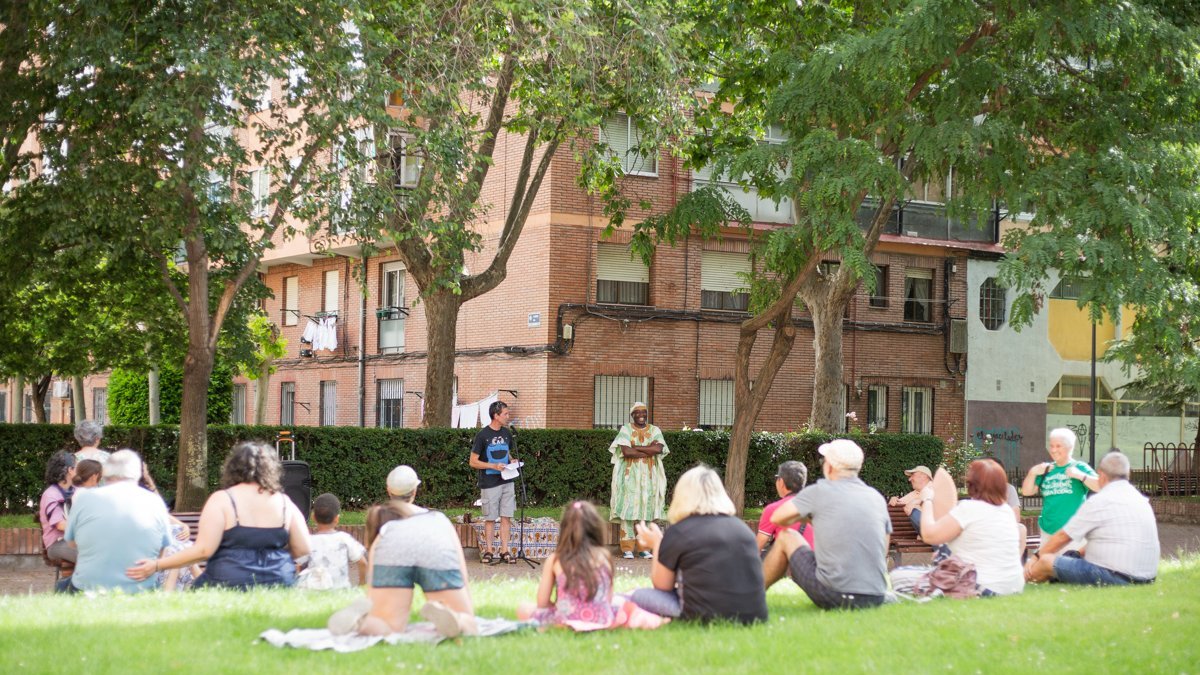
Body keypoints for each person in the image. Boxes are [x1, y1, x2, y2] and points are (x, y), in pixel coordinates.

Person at [127, 441, 311, 590]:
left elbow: (203, 551)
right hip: (278, 581)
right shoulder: (285, 502)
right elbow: (303, 549)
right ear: (272, 469)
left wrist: (157, 565)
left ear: (233, 468)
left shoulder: (222, 500)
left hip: (229, 581)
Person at [328, 465, 479, 638]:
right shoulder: (438, 519)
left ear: (388, 490)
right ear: (415, 490)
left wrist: (371, 600)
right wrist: (466, 603)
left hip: (394, 547)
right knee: (468, 623)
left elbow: (373, 563)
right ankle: (456, 619)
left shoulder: (383, 521)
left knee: (388, 626)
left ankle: (361, 622)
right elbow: (460, 568)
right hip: (433, 546)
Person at [763, 439, 892, 610]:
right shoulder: (876, 497)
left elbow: (778, 517)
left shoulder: (819, 491)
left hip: (834, 594)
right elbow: (883, 546)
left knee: (788, 536)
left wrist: (809, 518)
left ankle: (750, 594)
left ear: (829, 467)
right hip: (875, 595)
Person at [630, 465, 768, 624]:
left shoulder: (679, 531)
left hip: (702, 614)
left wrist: (657, 544)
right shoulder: (743, 529)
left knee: (638, 595)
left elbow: (662, 586)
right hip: (754, 614)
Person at [892, 459, 1025, 596]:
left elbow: (929, 535)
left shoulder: (968, 508)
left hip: (979, 585)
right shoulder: (1006, 511)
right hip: (1013, 586)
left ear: (972, 484)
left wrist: (927, 500)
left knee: (898, 577)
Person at [1024, 451, 1159, 586]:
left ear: (1102, 475)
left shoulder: (1100, 501)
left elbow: (1063, 537)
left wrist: (1035, 557)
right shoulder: (1139, 499)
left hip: (1114, 575)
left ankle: (1021, 579)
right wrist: (1076, 553)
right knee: (1070, 558)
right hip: (1147, 576)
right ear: (1128, 474)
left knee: (1046, 561)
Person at [62, 450, 172, 593]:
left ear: (106, 473)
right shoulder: (154, 501)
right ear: (138, 474)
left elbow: (71, 543)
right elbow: (164, 547)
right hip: (140, 587)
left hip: (88, 587)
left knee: (62, 587)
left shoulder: (83, 499)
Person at [517, 500, 615, 628]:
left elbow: (542, 602)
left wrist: (562, 607)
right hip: (602, 620)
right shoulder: (604, 555)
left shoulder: (555, 559)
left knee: (523, 608)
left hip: (565, 621)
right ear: (596, 528)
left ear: (564, 529)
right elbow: (608, 599)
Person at [608, 401, 669, 559]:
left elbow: (658, 449)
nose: (641, 415)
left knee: (646, 511)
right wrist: (648, 449)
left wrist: (636, 447)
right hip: (629, 476)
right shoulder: (626, 429)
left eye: (644, 412)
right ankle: (627, 548)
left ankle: (644, 548)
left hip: (649, 476)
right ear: (632, 415)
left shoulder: (655, 430)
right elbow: (626, 452)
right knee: (629, 509)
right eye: (637, 412)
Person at [1021, 427, 1098, 536]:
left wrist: (1080, 476)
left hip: (1073, 534)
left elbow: (1100, 486)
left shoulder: (1079, 467)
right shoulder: (1046, 469)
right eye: (1051, 446)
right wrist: (1032, 472)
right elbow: (1026, 492)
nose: (1053, 450)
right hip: (1048, 531)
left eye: (1058, 446)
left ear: (1069, 447)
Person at [469, 401, 518, 564]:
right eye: (505, 414)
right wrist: (493, 466)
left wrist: (512, 460)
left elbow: (507, 451)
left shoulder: (507, 434)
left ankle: (505, 551)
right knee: (490, 517)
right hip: (489, 482)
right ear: (496, 416)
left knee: (506, 516)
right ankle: (489, 551)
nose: (507, 417)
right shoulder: (482, 435)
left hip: (507, 480)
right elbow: (473, 461)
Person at [298, 492, 368, 590]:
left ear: (313, 518)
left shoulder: (308, 541)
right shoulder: (344, 539)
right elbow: (363, 563)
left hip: (314, 593)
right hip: (341, 592)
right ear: (336, 519)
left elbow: (298, 564)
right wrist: (361, 583)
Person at [756, 461, 814, 554]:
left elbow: (758, 546)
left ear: (781, 482)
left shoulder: (774, 509)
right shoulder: (818, 507)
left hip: (789, 564)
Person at [40, 450, 77, 564]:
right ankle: (68, 582)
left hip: (75, 540)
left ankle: (71, 581)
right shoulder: (51, 494)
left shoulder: (76, 490)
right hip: (56, 544)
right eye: (76, 466)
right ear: (70, 470)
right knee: (93, 556)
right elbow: (60, 525)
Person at [889, 465, 934, 531]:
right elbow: (897, 503)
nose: (909, 479)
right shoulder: (915, 493)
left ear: (924, 476)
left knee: (914, 511)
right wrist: (894, 499)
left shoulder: (937, 488)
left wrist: (919, 501)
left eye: (913, 475)